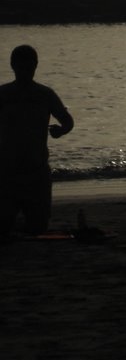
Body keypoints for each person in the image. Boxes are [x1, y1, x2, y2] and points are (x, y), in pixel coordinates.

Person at [0, 45, 75, 238]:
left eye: (29, 66)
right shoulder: (4, 94)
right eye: (22, 66)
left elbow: (67, 121)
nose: (26, 71)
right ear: (13, 66)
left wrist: (61, 131)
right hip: (7, 172)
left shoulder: (44, 94)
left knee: (38, 227)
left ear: (35, 66)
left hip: (36, 171)